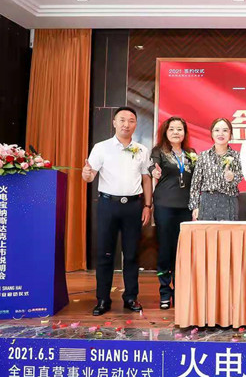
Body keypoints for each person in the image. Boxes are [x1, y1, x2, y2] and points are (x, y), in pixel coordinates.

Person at [82, 107, 151, 316]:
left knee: (131, 254)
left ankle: (130, 297)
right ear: (114, 122)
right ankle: (103, 299)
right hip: (108, 205)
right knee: (105, 254)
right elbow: (90, 176)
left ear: (135, 124)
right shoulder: (101, 147)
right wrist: (86, 174)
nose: (126, 124)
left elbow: (146, 178)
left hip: (133, 206)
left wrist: (148, 206)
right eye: (122, 120)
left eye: (131, 120)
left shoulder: (142, 149)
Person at [148, 117, 196, 310]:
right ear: (165, 132)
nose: (176, 132)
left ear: (184, 133)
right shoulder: (158, 151)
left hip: (186, 208)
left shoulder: (191, 154)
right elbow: (153, 166)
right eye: (172, 129)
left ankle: (181, 291)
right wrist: (154, 172)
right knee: (165, 249)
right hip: (165, 206)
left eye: (179, 129)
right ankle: (165, 292)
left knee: (183, 250)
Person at [189, 118, 243, 221]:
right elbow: (195, 184)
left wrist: (232, 178)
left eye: (225, 130)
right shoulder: (203, 156)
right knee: (207, 231)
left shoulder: (237, 156)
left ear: (230, 134)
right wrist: (195, 206)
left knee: (228, 231)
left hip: (229, 201)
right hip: (207, 201)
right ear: (212, 133)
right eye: (217, 130)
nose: (221, 134)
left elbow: (239, 177)